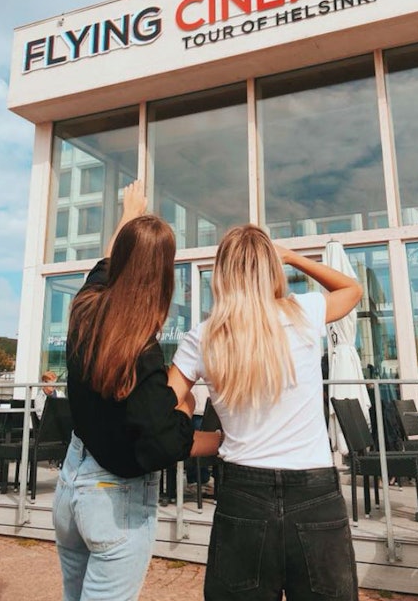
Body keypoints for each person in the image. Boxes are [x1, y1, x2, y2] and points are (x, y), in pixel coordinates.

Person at [168, 224, 363, 601]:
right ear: (271, 269)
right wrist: (292, 257)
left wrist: (211, 439)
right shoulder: (304, 311)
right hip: (314, 491)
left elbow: (158, 416)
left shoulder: (203, 337)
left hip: (242, 492)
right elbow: (352, 289)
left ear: (221, 274)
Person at [53, 180, 220, 601]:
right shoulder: (141, 352)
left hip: (71, 483)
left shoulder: (84, 308)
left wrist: (130, 213)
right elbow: (163, 442)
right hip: (112, 501)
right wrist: (195, 417)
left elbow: (106, 263)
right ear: (163, 276)